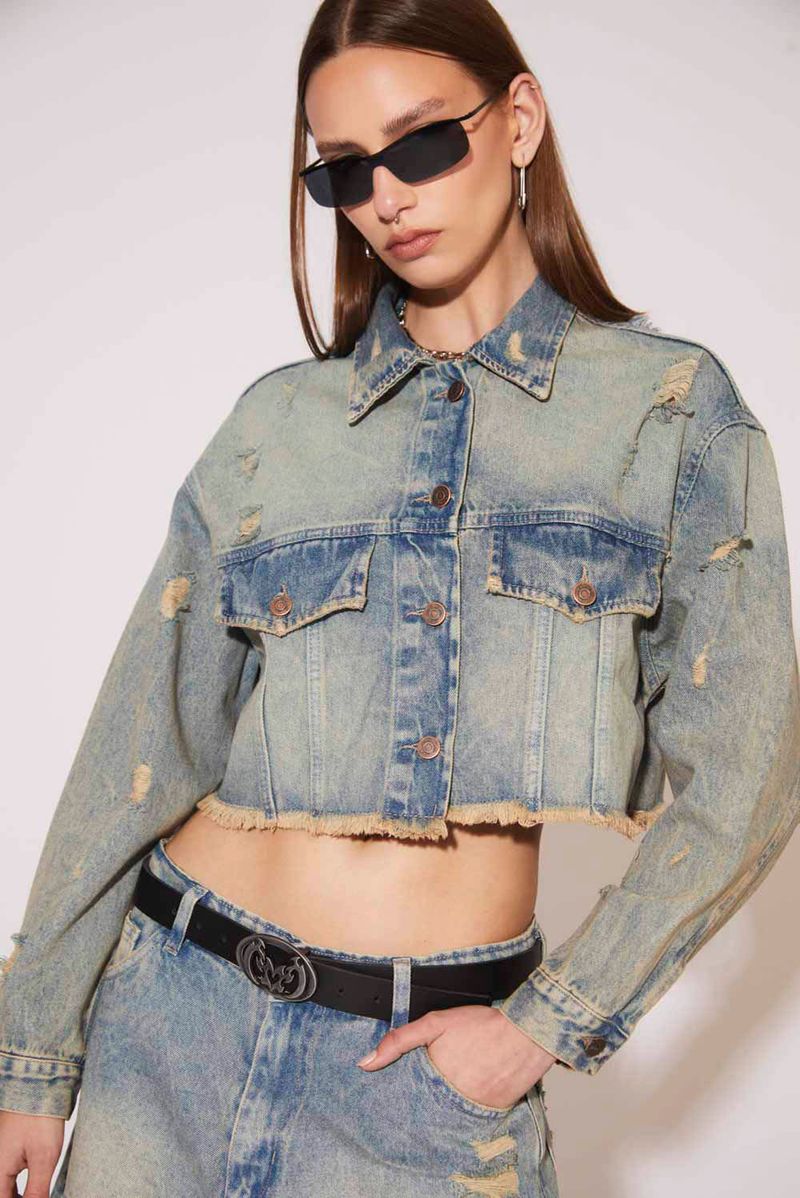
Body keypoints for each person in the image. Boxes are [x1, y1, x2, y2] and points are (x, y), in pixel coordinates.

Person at [2, 1, 799, 1194]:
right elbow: (141, 745)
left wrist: (540, 1026)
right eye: (343, 170)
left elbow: (750, 774)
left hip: (419, 1091)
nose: (385, 196)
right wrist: (31, 1054)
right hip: (168, 1033)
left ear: (517, 120)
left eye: (423, 142)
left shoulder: (669, 415)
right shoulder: (277, 426)